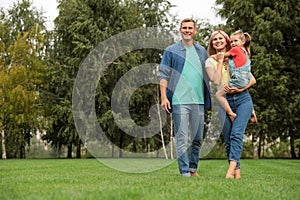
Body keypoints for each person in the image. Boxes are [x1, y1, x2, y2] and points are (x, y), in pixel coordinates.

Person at [159, 18, 211, 177]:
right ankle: (184, 172)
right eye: (184, 28)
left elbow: (210, 71)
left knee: (197, 138)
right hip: (179, 101)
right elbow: (163, 75)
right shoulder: (171, 50)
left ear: (195, 31)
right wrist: (163, 97)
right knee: (181, 138)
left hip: (199, 101)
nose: (187, 30)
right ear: (180, 30)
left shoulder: (202, 51)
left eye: (190, 28)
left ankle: (193, 169)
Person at [205, 30, 256, 179]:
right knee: (228, 139)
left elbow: (251, 79)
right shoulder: (210, 61)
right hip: (224, 101)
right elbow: (215, 80)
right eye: (215, 39)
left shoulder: (235, 56)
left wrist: (240, 89)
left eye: (221, 38)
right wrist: (220, 61)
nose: (218, 41)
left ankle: (232, 172)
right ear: (211, 43)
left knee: (237, 135)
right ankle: (237, 172)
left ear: (226, 41)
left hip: (241, 97)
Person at [212, 30, 255, 123]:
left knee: (218, 94)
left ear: (242, 41)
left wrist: (215, 57)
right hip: (244, 81)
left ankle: (231, 114)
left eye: (235, 41)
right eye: (231, 42)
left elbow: (223, 56)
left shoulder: (235, 50)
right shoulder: (245, 52)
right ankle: (251, 111)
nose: (233, 44)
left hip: (238, 81)